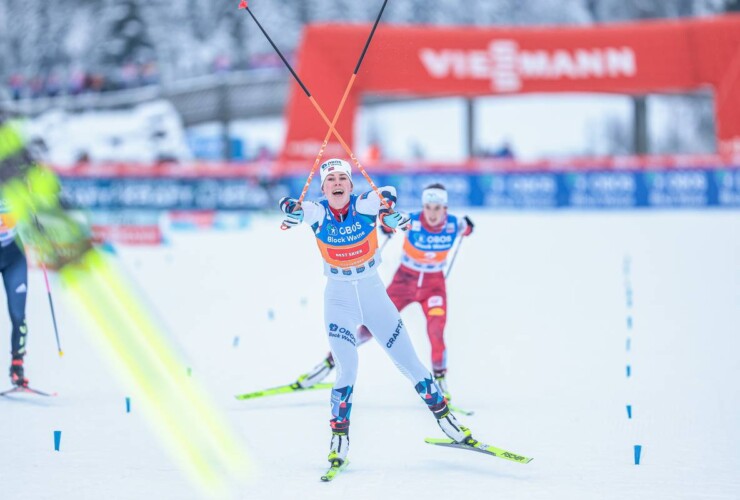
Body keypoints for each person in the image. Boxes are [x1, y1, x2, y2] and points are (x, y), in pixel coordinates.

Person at [279, 159, 474, 467]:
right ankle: (339, 439)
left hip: (373, 295)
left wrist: (387, 212)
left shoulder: (365, 204)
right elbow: (293, 206)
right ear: (324, 188)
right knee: (348, 369)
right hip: (339, 299)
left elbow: (387, 191)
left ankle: (448, 422)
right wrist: (290, 211)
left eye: (343, 178)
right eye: (331, 180)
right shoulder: (317, 211)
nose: (338, 183)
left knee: (410, 362)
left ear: (351, 185)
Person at [295, 183, 473, 402]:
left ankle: (441, 382)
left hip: (433, 285)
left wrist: (469, 228)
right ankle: (328, 363)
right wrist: (387, 225)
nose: (433, 213)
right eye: (429, 207)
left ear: (445, 208)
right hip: (405, 281)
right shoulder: (413, 220)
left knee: (436, 330)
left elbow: (467, 228)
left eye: (438, 208)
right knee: (369, 328)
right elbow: (390, 220)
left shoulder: (454, 224)